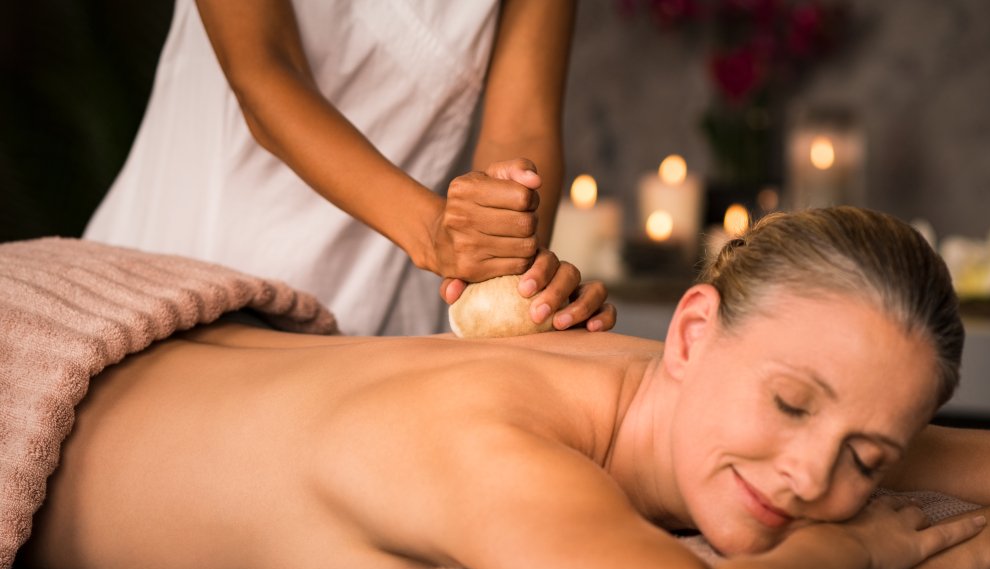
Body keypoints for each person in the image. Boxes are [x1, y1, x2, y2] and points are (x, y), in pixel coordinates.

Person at [24, 206, 990, 569]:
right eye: (791, 406)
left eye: (865, 458)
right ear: (694, 329)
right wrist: (846, 548)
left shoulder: (673, 385)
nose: (805, 475)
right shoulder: (489, 450)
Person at [82, 0, 615, 336]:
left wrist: (516, 287)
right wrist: (433, 231)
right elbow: (263, 72)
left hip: (377, 309)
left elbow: (521, 127)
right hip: (191, 267)